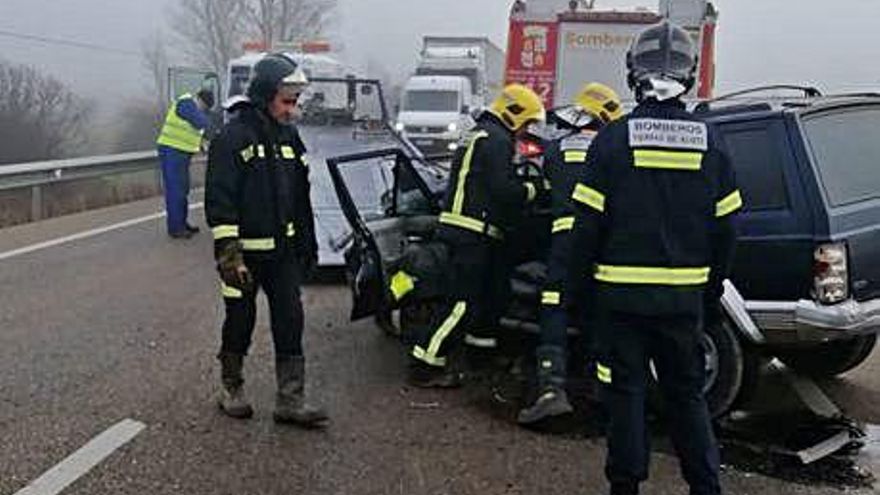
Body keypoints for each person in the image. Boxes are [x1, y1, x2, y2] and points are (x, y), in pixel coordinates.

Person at [567, 22, 741, 495]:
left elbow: (585, 230)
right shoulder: (713, 143)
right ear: (689, 76)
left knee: (626, 396)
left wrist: (577, 298)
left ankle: (625, 488)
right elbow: (726, 231)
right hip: (682, 304)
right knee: (687, 399)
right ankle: (706, 488)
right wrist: (708, 296)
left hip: (619, 302)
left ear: (633, 74)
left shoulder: (612, 140)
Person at [205, 53, 327, 427]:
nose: (292, 109)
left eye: (295, 101)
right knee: (240, 319)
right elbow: (220, 199)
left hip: (283, 255)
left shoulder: (290, 138)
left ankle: (290, 400)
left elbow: (301, 198)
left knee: (291, 320)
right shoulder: (234, 137)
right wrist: (229, 254)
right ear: (265, 96)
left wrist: (308, 245)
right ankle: (231, 386)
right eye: (286, 101)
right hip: (242, 257)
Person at [408, 84, 546, 387]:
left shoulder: (481, 133)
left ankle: (479, 355)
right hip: (471, 233)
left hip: (467, 230)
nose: (526, 130)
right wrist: (538, 189)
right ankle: (425, 363)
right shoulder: (496, 141)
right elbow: (504, 190)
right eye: (526, 123)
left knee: (490, 296)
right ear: (513, 114)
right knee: (461, 303)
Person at [517, 82, 623, 426]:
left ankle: (551, 390)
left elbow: (543, 196)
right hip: (603, 242)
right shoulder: (613, 148)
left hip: (565, 240)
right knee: (599, 308)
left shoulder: (556, 149)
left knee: (554, 307)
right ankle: (601, 390)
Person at [156, 88, 214, 239]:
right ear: (199, 100)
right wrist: (214, 128)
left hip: (181, 153)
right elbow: (200, 122)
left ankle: (182, 222)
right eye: (204, 107)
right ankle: (176, 228)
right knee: (176, 190)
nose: (204, 110)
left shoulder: (193, 107)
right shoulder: (186, 103)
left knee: (183, 188)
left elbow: (196, 132)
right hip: (172, 150)